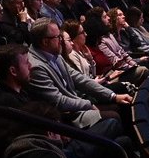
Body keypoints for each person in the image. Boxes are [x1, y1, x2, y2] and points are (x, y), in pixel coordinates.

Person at [25, 18, 132, 149]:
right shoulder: (36, 67)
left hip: (76, 104)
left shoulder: (53, 54)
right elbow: (58, 101)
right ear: (45, 41)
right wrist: (88, 104)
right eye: (58, 37)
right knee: (114, 115)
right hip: (65, 117)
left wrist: (113, 96)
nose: (61, 41)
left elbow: (80, 79)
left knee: (121, 103)